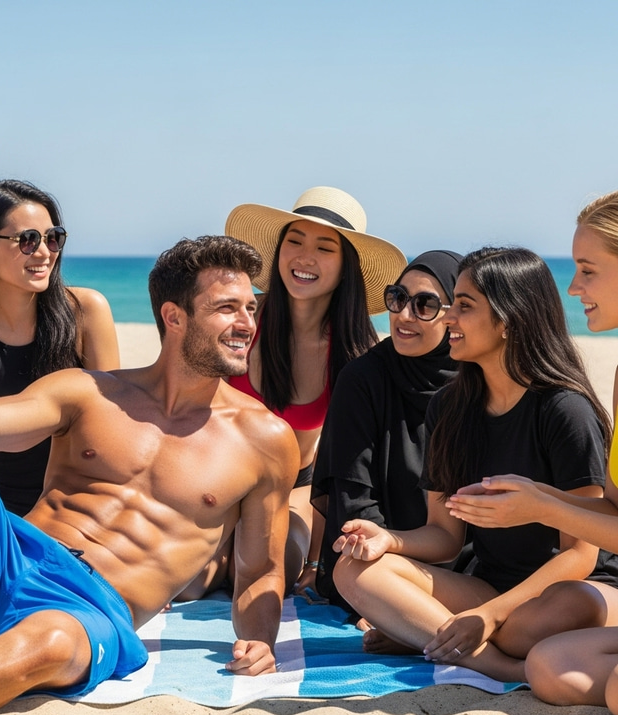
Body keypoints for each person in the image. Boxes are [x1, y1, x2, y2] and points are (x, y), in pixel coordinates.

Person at [0, 235, 300, 715]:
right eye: (226, 308)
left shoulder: (265, 440)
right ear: (174, 317)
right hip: (7, 561)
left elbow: (261, 570)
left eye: (250, 308)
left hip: (88, 609)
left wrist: (259, 640)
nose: (247, 324)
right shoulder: (90, 392)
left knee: (50, 644)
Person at [332, 246, 618, 683]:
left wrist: (489, 615)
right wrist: (389, 540)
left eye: (464, 306)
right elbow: (445, 537)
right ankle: (492, 662)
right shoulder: (448, 407)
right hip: (489, 586)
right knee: (353, 569)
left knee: (545, 618)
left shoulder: (565, 410)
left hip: (573, 587)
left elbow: (581, 555)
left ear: (508, 321)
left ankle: (429, 632)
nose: (449, 318)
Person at [179, 187, 406, 599]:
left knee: (275, 568)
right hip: (218, 480)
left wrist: (317, 563)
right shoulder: (241, 322)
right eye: (295, 241)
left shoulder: (355, 354)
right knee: (188, 585)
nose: (305, 257)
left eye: (324, 248)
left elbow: (341, 469)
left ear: (346, 266)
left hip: (294, 489)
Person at [445, 192, 618, 711]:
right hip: (514, 591)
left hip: (590, 590)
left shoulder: (563, 408)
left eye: (588, 270)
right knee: (549, 669)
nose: (574, 287)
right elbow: (612, 510)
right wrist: (535, 494)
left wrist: (542, 507)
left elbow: (587, 549)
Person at [0, 180, 119, 515]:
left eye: (53, 238)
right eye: (27, 240)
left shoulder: (87, 311)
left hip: (76, 510)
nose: (44, 252)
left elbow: (110, 429)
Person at [311, 250, 461, 610]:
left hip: (464, 567)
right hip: (376, 559)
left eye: (424, 305)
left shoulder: (475, 383)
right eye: (398, 298)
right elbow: (353, 503)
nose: (404, 315)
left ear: (454, 316)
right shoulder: (362, 380)